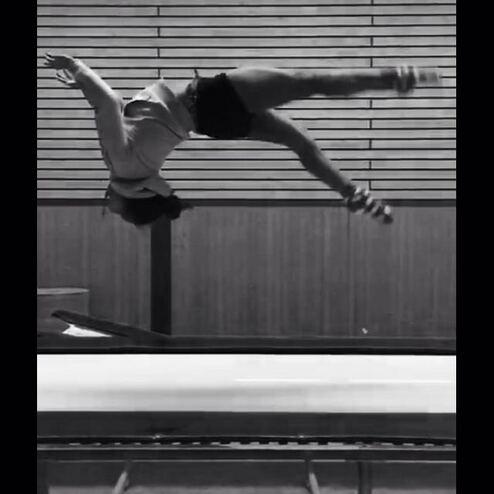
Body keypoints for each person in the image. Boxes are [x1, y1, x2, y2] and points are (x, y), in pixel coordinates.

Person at [43, 53, 439, 225]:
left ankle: (352, 194)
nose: (106, 203)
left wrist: (87, 87)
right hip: (209, 101)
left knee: (301, 144)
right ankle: (394, 78)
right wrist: (77, 68)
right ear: (129, 197)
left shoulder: (136, 172)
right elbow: (107, 102)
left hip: (214, 123)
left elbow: (120, 112)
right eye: (113, 207)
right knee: (308, 82)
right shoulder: (121, 165)